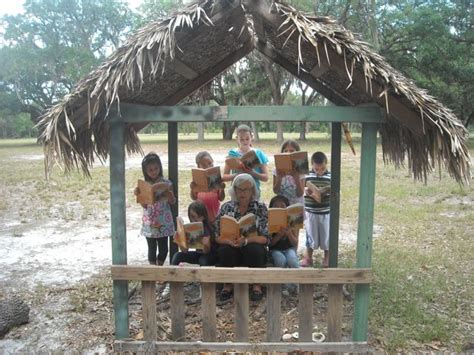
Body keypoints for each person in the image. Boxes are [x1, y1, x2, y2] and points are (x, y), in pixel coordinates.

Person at [215, 173, 269, 302]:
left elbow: (266, 238)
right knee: (224, 250)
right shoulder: (226, 207)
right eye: (239, 189)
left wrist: (246, 240)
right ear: (234, 190)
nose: (243, 193)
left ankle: (257, 285)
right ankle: (228, 285)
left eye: (247, 189)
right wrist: (227, 241)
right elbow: (216, 235)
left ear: (253, 191)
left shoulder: (260, 208)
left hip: (251, 246)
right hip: (232, 245)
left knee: (254, 249)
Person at [135, 152, 176, 266]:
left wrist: (169, 194)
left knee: (164, 249)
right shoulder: (144, 186)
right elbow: (144, 205)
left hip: (164, 220)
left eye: (156, 168)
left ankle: (160, 267)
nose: (154, 172)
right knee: (151, 248)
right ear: (145, 171)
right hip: (150, 221)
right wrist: (139, 195)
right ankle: (153, 270)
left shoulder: (167, 183)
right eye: (150, 170)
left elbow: (172, 202)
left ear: (160, 167)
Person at [222, 124, 269, 199]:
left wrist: (252, 173)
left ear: (252, 137)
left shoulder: (259, 154)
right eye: (241, 139)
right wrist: (237, 174)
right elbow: (224, 177)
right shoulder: (232, 154)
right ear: (237, 139)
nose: (245, 141)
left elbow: (266, 177)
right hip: (237, 191)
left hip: (253, 191)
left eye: (247, 139)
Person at [302, 151, 331, 268]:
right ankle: (308, 257)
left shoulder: (330, 176)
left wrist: (327, 190)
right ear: (312, 165)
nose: (319, 171)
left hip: (326, 212)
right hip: (311, 212)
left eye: (322, 168)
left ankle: (327, 257)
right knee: (310, 235)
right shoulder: (307, 176)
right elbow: (303, 188)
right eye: (316, 169)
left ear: (326, 164)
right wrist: (307, 191)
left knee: (326, 236)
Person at [268, 195, 300, 296]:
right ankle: (284, 285)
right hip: (275, 250)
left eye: (282, 206)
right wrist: (279, 235)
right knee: (280, 260)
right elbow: (270, 244)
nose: (279, 208)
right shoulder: (270, 222)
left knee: (292, 260)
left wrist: (289, 233)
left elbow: (295, 243)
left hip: (289, 248)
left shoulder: (292, 221)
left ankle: (295, 283)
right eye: (276, 206)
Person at [172, 200, 218, 266]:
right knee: (177, 256)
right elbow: (185, 250)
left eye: (196, 217)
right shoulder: (189, 228)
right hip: (198, 254)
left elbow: (207, 251)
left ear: (203, 217)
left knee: (203, 261)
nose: (193, 220)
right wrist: (179, 241)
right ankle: (172, 274)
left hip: (209, 255)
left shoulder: (206, 228)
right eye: (192, 217)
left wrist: (205, 244)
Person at [190, 151, 225, 223]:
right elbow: (194, 198)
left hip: (214, 213)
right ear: (198, 166)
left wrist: (222, 188)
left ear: (213, 162)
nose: (208, 167)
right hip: (201, 215)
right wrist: (192, 189)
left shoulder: (216, 178)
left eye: (210, 163)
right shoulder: (197, 179)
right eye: (203, 165)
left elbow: (221, 198)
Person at [273, 139, 305, 205]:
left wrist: (296, 179)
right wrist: (279, 179)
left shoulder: (300, 170)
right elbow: (276, 191)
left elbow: (300, 194)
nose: (288, 152)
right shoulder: (276, 170)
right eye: (285, 151)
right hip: (282, 205)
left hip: (297, 206)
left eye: (292, 151)